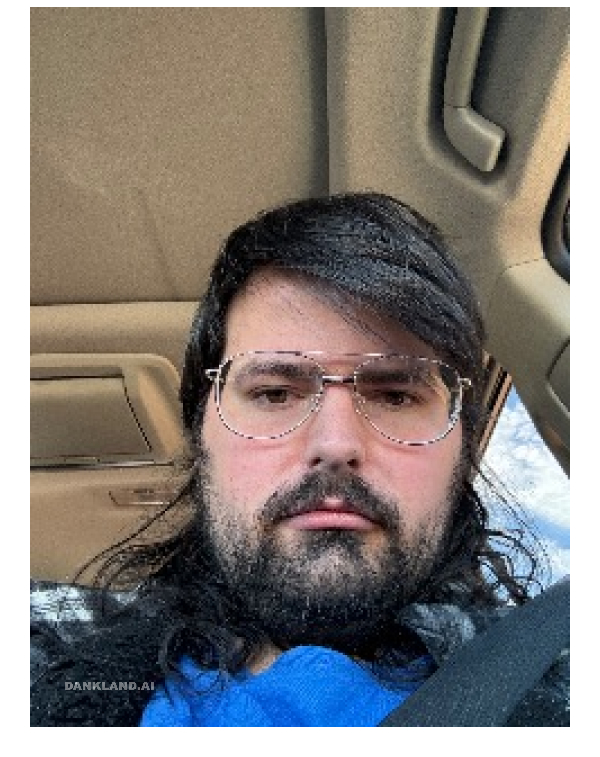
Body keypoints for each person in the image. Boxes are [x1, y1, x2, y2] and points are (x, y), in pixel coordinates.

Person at [30, 192, 569, 726]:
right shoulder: (49, 651)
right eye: (273, 393)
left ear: (462, 448)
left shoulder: (559, 678)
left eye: (396, 395)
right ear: (200, 435)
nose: (335, 444)